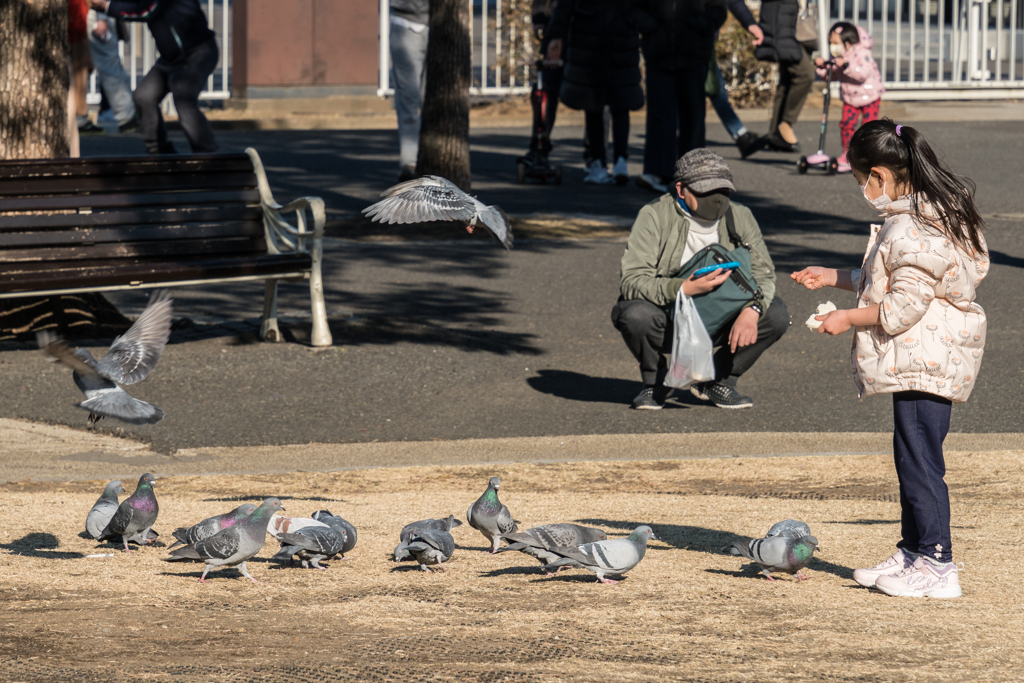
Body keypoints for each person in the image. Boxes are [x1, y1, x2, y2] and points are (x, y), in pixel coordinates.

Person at [793, 120, 988, 598]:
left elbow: (902, 306)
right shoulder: (929, 214)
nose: (864, 190)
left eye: (863, 181)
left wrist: (846, 317)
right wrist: (834, 276)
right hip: (925, 356)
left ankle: (938, 562)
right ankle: (913, 550)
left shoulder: (911, 226)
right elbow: (888, 279)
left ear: (880, 175)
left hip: (924, 358)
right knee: (912, 456)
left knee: (920, 460)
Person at [611, 149, 790, 409]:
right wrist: (683, 287)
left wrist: (752, 310)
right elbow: (632, 280)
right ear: (681, 189)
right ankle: (655, 381)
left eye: (724, 191)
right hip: (668, 318)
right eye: (706, 192)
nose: (717, 200)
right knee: (634, 314)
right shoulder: (654, 215)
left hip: (722, 315)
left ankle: (718, 381)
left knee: (775, 314)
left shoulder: (740, 215)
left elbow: (764, 273)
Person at [625, 0, 728, 194]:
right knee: (659, 115)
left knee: (693, 116)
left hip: (694, 53)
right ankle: (657, 173)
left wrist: (701, 25)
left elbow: (719, 9)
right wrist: (648, 25)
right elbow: (631, 7)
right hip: (658, 51)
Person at [91, 0, 219, 154]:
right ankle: (158, 150)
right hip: (170, 58)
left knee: (183, 98)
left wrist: (107, 6)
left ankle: (207, 153)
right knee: (143, 96)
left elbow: (145, 11)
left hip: (198, 52)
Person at [546, 0, 643, 185]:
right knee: (617, 101)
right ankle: (618, 161)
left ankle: (600, 162)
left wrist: (556, 35)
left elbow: (565, 5)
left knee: (595, 102)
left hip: (590, 31)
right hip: (619, 30)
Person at [814, 22, 883, 173]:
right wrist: (822, 67)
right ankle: (848, 153)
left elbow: (863, 74)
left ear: (848, 42)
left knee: (868, 127)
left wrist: (846, 66)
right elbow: (831, 76)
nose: (833, 47)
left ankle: (869, 155)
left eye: (835, 43)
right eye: (831, 43)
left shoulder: (862, 53)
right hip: (850, 98)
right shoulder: (837, 57)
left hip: (869, 95)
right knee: (846, 124)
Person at [755, 0, 814, 152]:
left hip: (789, 31)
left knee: (786, 81)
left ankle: (775, 135)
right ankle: (786, 123)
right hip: (782, 33)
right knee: (805, 74)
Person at [710, 0, 765, 158]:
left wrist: (750, 23)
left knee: (714, 90)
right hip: (677, 40)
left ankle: (741, 135)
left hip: (702, 42)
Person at [520, 0, 565, 167]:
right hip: (555, 29)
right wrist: (539, 19)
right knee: (543, 92)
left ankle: (595, 158)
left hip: (589, 29)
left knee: (595, 97)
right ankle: (539, 148)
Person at [389, 0, 429, 182]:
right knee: (408, 99)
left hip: (443, 28)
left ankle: (432, 159)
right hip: (405, 22)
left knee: (435, 101)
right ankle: (409, 163)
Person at [88, 8, 139, 133]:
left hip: (78, 12)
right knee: (109, 65)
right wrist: (102, 17)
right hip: (94, 12)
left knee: (78, 65)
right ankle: (126, 117)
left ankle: (78, 118)